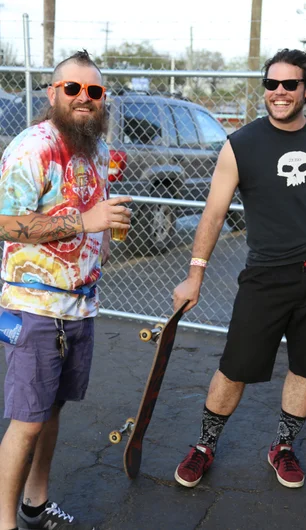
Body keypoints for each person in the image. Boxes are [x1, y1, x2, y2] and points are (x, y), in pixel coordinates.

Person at [173, 48, 306, 490]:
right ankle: (204, 446)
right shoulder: (241, 145)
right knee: (236, 366)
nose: (278, 92)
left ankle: (283, 447)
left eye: (289, 84)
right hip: (266, 276)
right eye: (271, 84)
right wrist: (194, 274)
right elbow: (213, 214)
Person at [0, 50, 132, 530]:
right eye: (72, 88)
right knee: (28, 419)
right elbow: (4, 223)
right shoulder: (31, 147)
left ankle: (35, 507)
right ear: (52, 93)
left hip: (79, 305)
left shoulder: (95, 148)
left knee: (51, 409)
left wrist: (102, 236)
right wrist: (85, 221)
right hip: (34, 304)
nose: (84, 97)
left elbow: (95, 216)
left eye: (93, 91)